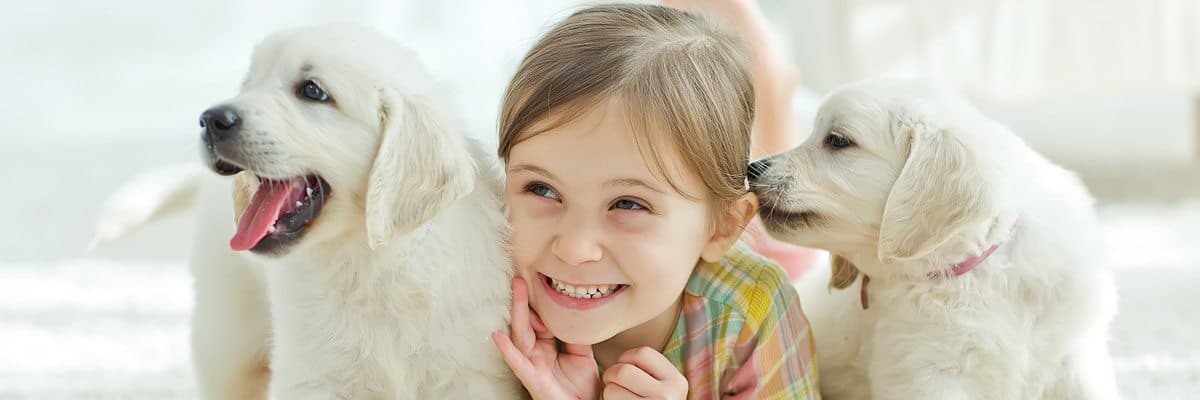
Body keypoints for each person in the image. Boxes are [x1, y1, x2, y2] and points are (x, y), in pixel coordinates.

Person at [489, 4, 819, 399]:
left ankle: (773, 80)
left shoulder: (750, 311)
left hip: (730, 263)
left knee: (792, 251)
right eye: (542, 189)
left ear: (723, 226)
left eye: (627, 204)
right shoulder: (484, 297)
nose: (574, 249)